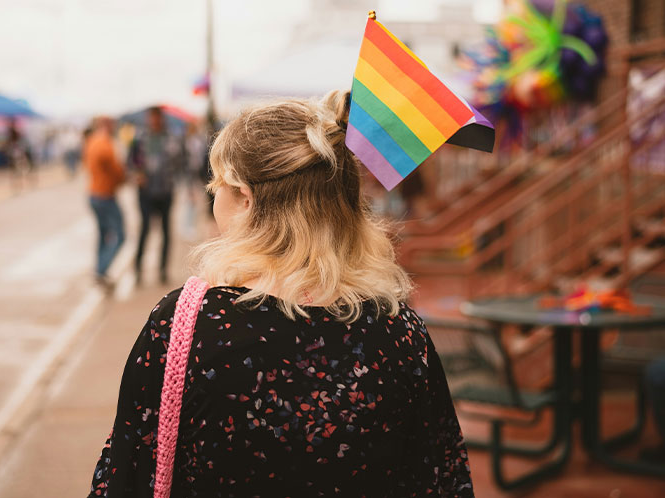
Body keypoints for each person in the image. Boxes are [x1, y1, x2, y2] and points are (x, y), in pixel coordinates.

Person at [87, 91, 474, 497]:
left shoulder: (184, 324)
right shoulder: (402, 334)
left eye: (218, 184)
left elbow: (125, 475)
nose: (212, 195)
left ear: (245, 199)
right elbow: (444, 479)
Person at [129, 106, 183, 284]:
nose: (154, 121)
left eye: (156, 118)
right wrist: (137, 175)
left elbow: (181, 161)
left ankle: (162, 270)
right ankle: (138, 270)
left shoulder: (171, 138)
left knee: (166, 232)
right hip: (146, 192)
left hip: (165, 191)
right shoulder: (139, 139)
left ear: (161, 119)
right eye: (151, 118)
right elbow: (130, 162)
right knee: (145, 230)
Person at [84, 117, 125, 289]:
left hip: (93, 193)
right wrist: (124, 178)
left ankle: (99, 269)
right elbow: (116, 171)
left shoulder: (91, 141)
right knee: (120, 235)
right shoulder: (104, 144)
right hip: (105, 195)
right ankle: (101, 269)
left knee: (102, 235)